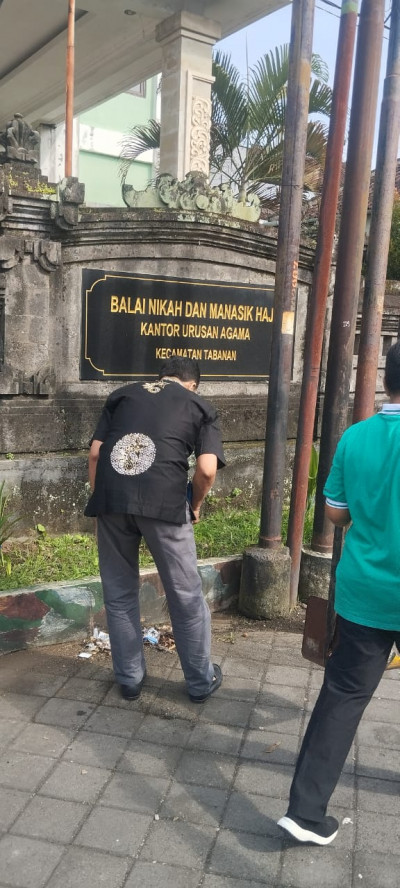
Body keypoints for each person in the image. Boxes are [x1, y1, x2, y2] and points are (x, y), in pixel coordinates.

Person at [278, 340, 400, 846]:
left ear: (386, 379)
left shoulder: (355, 437)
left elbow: (335, 513)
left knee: (343, 696)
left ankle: (304, 813)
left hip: (365, 591)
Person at [85, 356, 225, 703]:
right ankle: (199, 682)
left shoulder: (122, 395)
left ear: (161, 377)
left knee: (119, 592)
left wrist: (103, 499)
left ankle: (129, 679)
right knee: (185, 595)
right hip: (165, 503)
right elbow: (207, 469)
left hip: (112, 498)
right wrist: (194, 505)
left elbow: (96, 454)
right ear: (192, 384)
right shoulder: (199, 406)